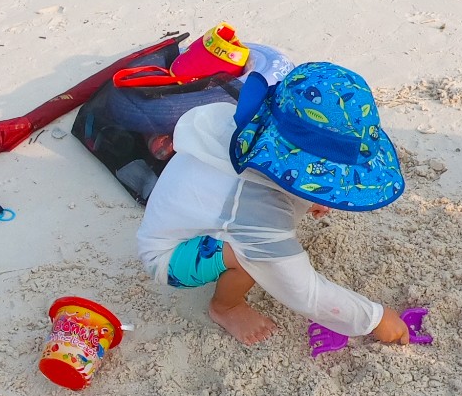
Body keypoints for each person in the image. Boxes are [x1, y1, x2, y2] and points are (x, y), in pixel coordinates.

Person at [136, 59, 413, 347]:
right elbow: (305, 293)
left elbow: (275, 171)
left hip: (197, 211)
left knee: (252, 239)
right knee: (251, 258)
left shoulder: (248, 128)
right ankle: (225, 307)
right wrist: (375, 318)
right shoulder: (256, 212)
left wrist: (306, 197)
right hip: (170, 255)